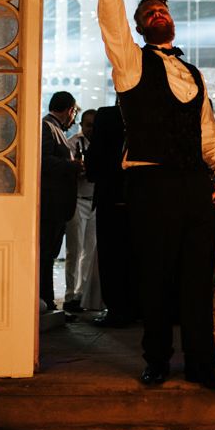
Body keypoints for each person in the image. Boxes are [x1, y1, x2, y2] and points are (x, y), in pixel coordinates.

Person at [96, 0, 215, 389]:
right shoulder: (130, 64)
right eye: (149, 14)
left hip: (194, 186)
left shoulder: (193, 74)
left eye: (163, 11)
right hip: (149, 185)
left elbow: (208, 138)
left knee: (197, 279)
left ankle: (201, 364)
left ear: (173, 22)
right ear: (139, 28)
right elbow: (112, 25)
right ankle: (155, 359)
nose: (158, 16)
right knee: (154, 276)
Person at [85, 102, 138, 328]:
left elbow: (95, 158)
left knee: (111, 256)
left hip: (110, 194)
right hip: (143, 196)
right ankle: (139, 307)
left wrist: (94, 172)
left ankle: (117, 310)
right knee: (139, 255)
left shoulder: (108, 115)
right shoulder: (149, 111)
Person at [40, 91, 83, 314]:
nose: (73, 118)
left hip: (57, 204)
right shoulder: (47, 127)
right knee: (46, 255)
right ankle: (45, 302)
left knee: (49, 255)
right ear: (69, 110)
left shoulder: (53, 128)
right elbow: (44, 161)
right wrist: (73, 166)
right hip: (51, 203)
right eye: (74, 112)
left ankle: (47, 302)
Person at [63, 108, 102, 313]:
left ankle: (83, 295)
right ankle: (70, 296)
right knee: (74, 250)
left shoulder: (102, 144)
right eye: (88, 125)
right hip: (77, 199)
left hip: (95, 201)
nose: (92, 130)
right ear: (81, 125)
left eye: (95, 126)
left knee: (89, 251)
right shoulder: (72, 143)